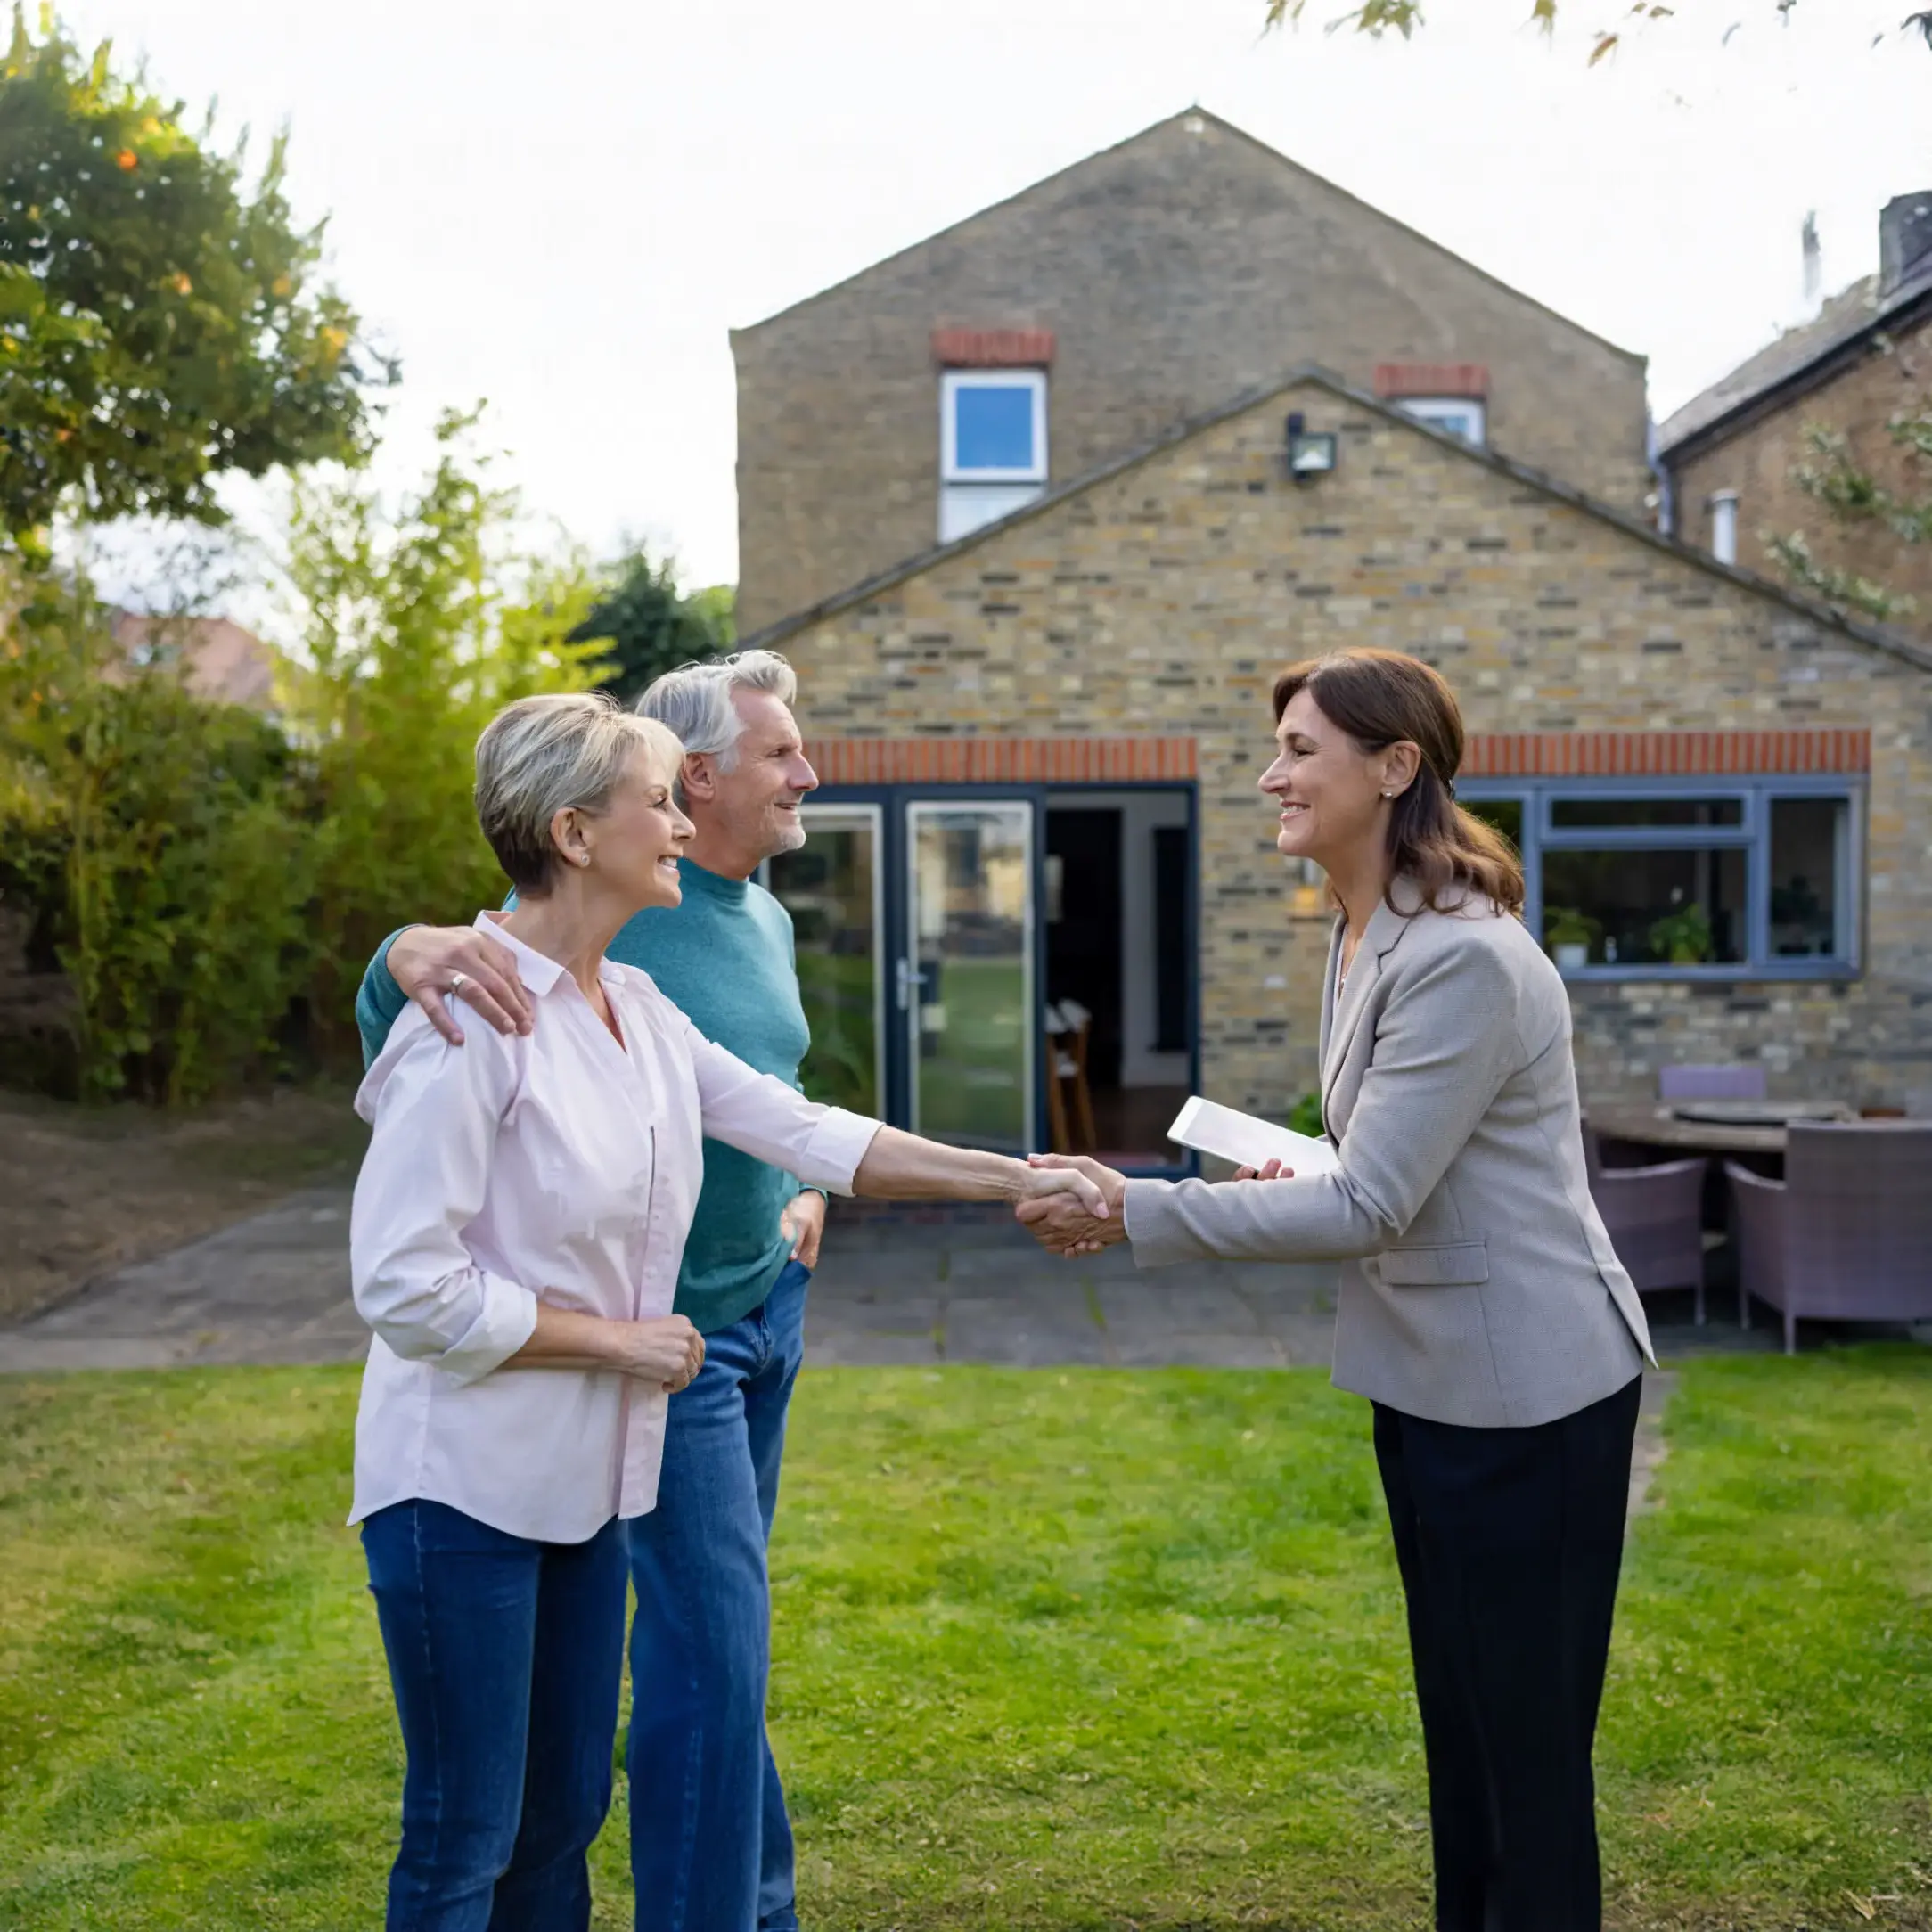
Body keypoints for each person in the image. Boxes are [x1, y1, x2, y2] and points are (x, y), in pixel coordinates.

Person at [351, 691, 1104, 1930]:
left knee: (559, 1823)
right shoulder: (472, 1024)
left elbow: (806, 1130)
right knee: (464, 1838)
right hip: (459, 1494)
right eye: (657, 799)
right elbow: (404, 1284)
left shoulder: (640, 1015)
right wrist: (618, 1343)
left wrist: (1020, 1177)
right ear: (575, 832)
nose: (680, 827)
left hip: (583, 1484)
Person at [1019, 647, 1656, 1932]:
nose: (1272, 777)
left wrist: (1136, 1205)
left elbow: (1371, 1204)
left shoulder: (1461, 957)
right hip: (1431, 1380)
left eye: (1302, 751)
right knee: (1461, 1728)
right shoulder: (1366, 929)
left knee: (1521, 1756)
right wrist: (1293, 1162)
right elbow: (1379, 1167)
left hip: (1528, 1395)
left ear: (1396, 765)